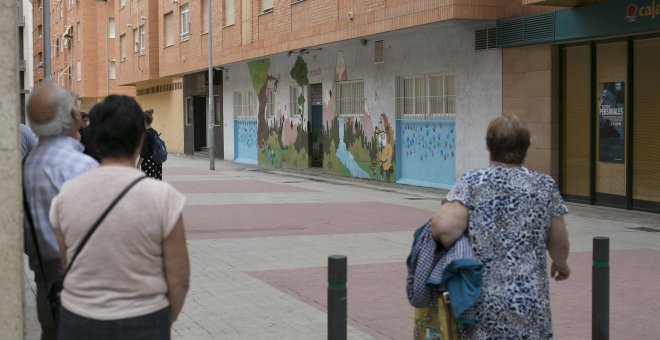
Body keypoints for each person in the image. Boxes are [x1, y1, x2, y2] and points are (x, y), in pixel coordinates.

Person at [49, 95, 190, 339]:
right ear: (139, 140)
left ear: (96, 139)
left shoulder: (66, 195)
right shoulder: (163, 197)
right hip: (145, 319)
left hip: (79, 319)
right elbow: (179, 279)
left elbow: (64, 262)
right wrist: (162, 321)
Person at [431, 114, 570, 339]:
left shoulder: (472, 182)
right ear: (526, 147)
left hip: (483, 302)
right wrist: (561, 265)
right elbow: (559, 241)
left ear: (489, 145)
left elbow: (444, 228)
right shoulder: (544, 185)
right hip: (530, 302)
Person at [23, 81, 99, 339]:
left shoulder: (27, 166)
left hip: (46, 283)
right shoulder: (81, 167)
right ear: (71, 117)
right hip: (86, 285)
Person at [138, 109, 163, 180]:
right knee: (156, 182)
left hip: (148, 163)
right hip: (157, 161)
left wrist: (138, 164)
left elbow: (144, 152)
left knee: (148, 183)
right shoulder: (154, 131)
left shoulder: (145, 134)